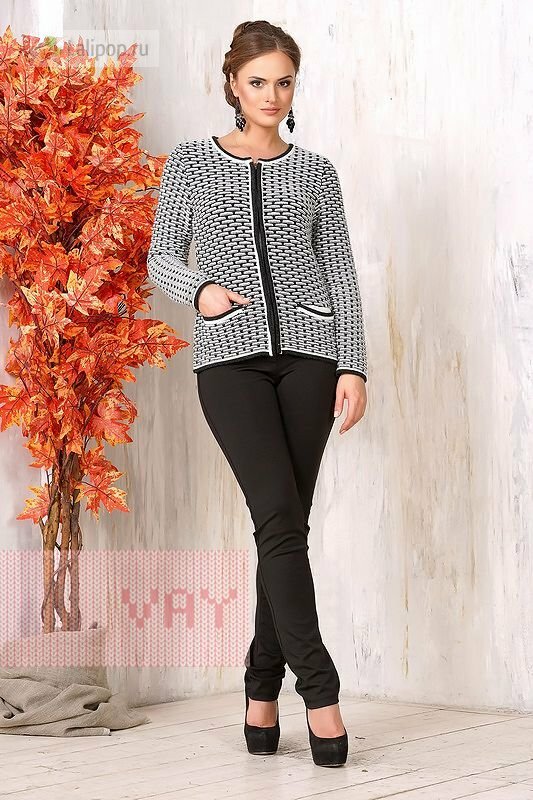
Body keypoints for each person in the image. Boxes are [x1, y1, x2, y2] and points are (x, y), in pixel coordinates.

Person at [147, 19, 368, 768]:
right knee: (278, 516)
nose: (271, 95)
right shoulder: (191, 163)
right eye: (257, 82)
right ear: (232, 86)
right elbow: (161, 258)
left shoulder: (316, 173)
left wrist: (352, 366)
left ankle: (260, 690)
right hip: (228, 362)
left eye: (283, 82)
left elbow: (341, 274)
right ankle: (322, 693)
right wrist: (200, 290)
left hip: (311, 358)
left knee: (284, 529)